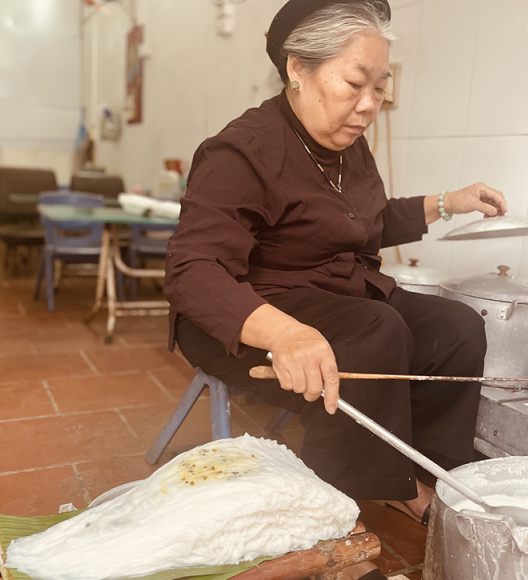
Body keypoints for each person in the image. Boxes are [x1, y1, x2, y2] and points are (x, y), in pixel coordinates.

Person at [165, 0, 506, 530]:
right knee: (374, 331)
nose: (368, 105)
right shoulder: (244, 150)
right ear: (297, 69)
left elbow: (363, 222)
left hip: (336, 294)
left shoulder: (349, 146)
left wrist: (447, 202)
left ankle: (421, 469)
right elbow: (193, 269)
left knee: (455, 327)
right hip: (252, 307)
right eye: (354, 83)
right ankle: (344, 503)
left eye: (380, 88)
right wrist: (283, 334)